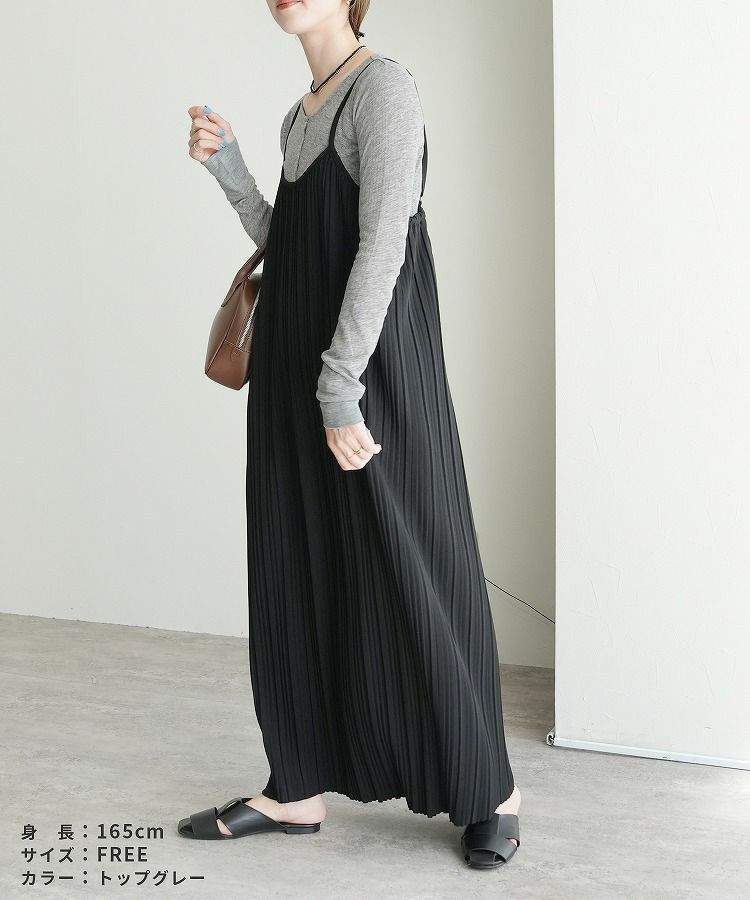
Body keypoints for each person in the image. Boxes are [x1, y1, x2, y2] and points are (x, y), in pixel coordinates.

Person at [178, 0, 522, 869]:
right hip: (296, 369)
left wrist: (342, 388)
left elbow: (384, 246)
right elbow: (296, 245)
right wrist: (232, 172)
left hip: (367, 371)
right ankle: (295, 786)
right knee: (295, 562)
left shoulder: (385, 91)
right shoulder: (301, 113)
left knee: (417, 561)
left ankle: (490, 787)